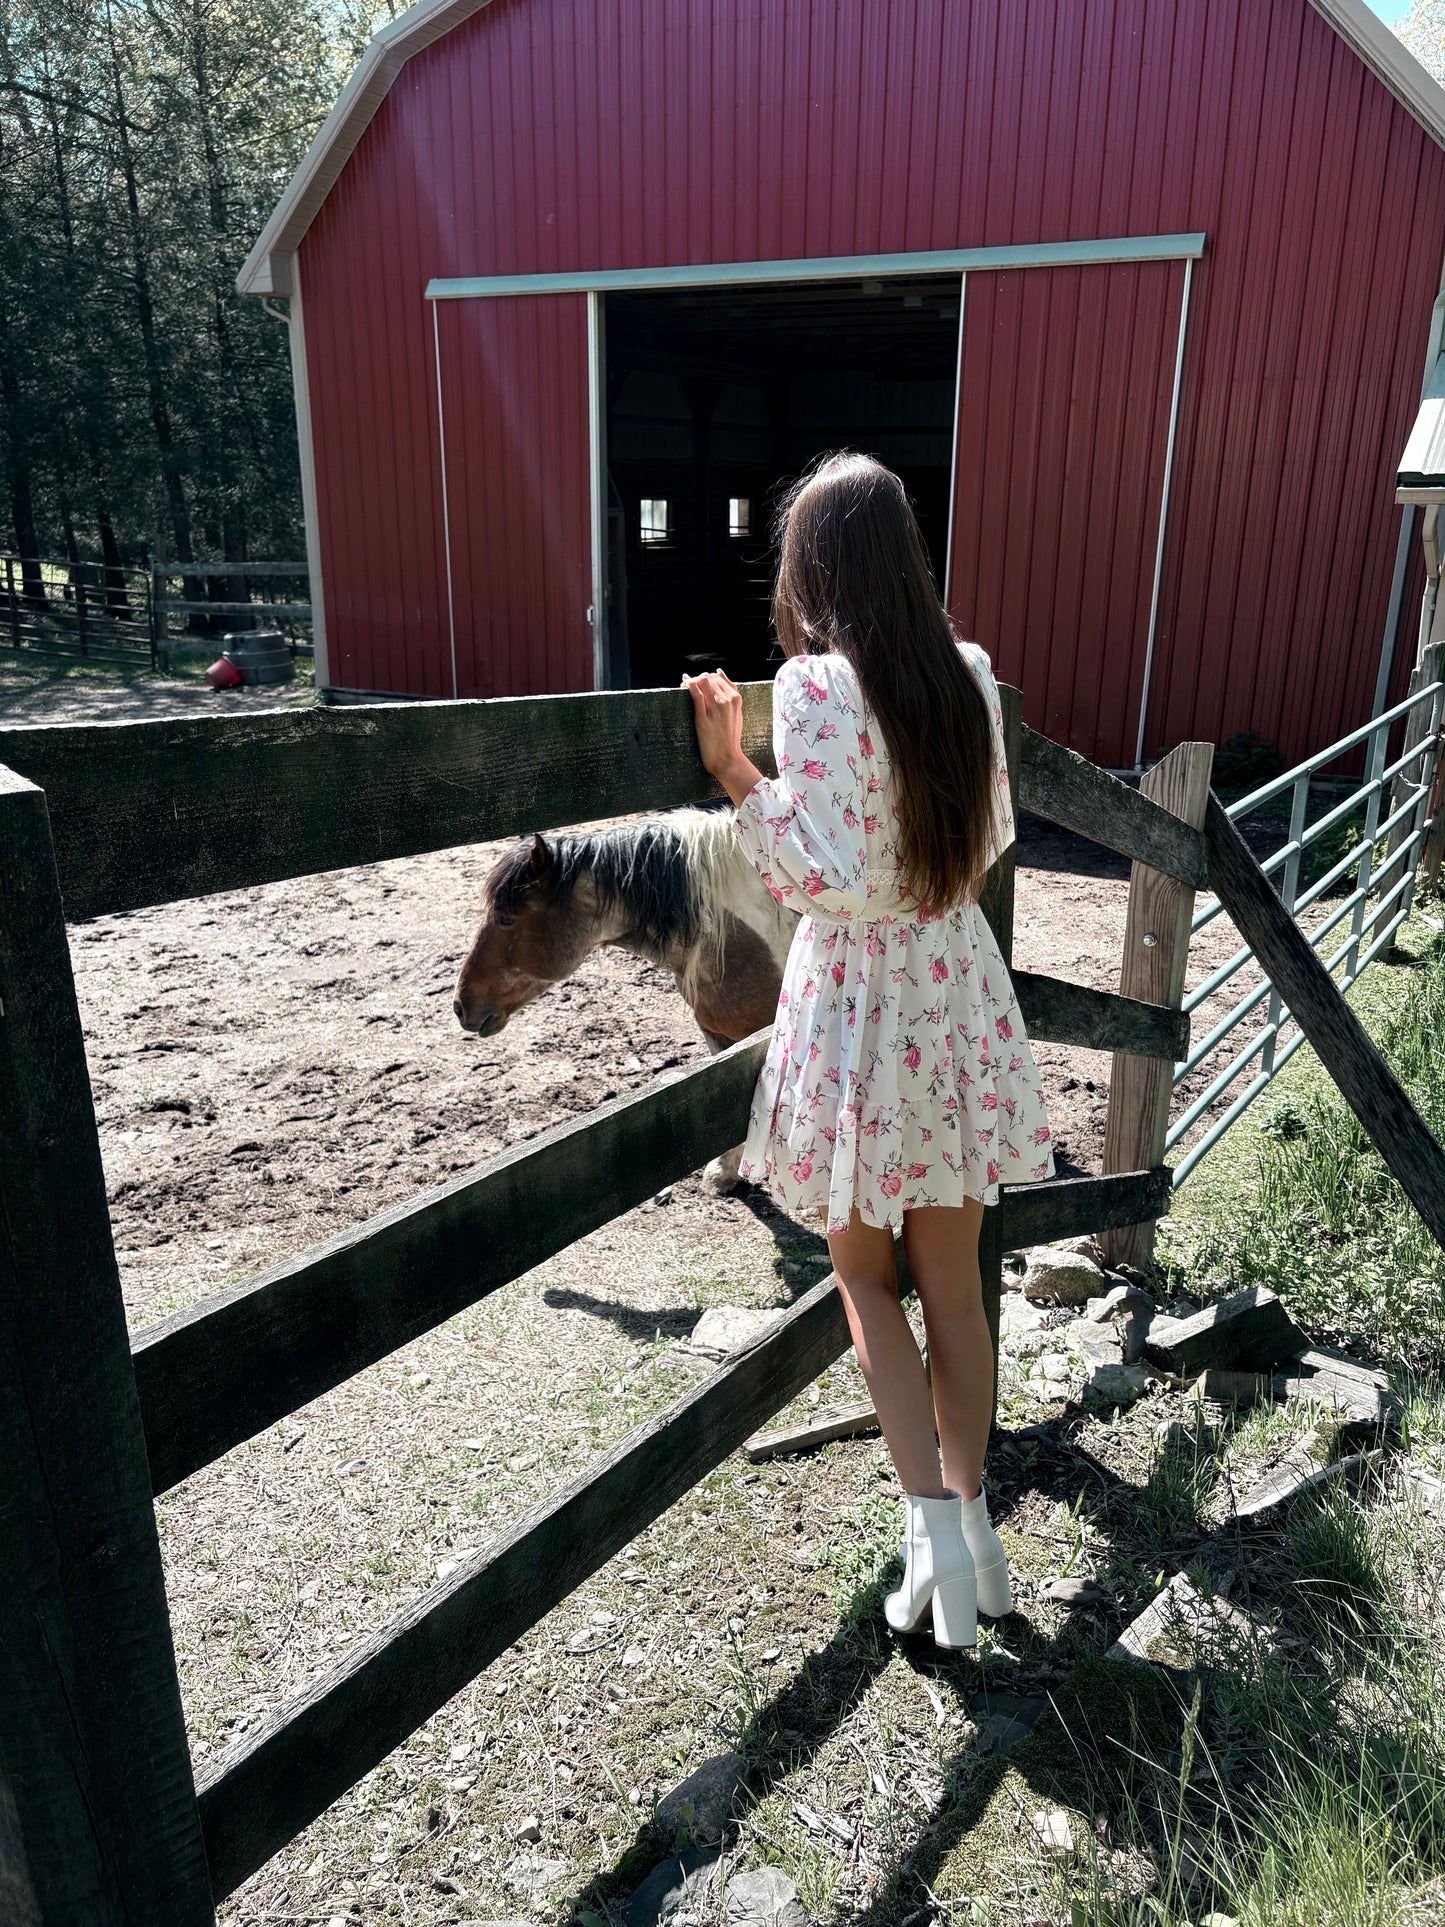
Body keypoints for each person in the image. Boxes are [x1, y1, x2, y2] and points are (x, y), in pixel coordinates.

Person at [685, 452, 1053, 1649]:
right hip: (953, 989)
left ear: (813, 570)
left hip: (858, 1005)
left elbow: (817, 874)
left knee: (862, 1278)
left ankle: (930, 1537)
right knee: (954, 1285)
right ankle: (975, 1534)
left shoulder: (809, 688)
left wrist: (736, 773)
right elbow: (990, 834)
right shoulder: (971, 676)